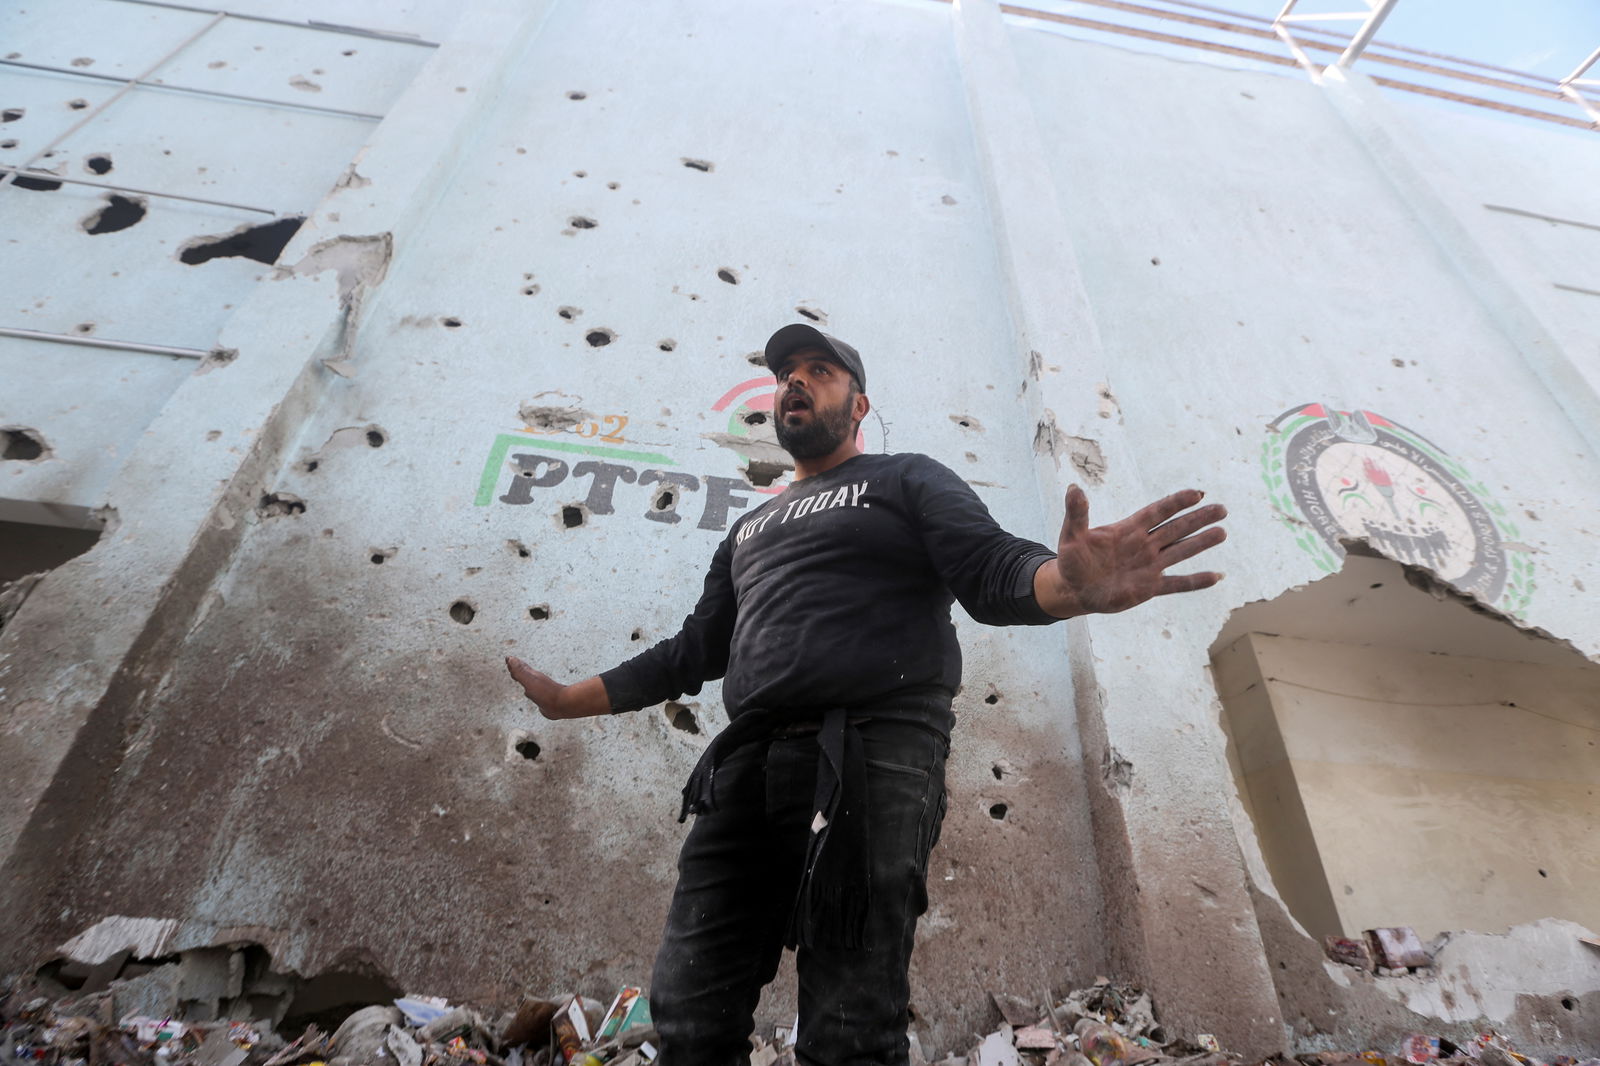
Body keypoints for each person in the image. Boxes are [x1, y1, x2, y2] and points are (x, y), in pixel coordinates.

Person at [506, 324, 1226, 1066]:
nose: (795, 380)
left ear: (859, 406)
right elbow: (693, 652)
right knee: (689, 1008)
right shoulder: (748, 530)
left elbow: (990, 568)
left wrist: (1066, 584)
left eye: (819, 370)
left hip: (873, 754)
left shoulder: (906, 479)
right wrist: (568, 700)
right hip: (745, 765)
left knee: (849, 1023)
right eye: (786, 372)